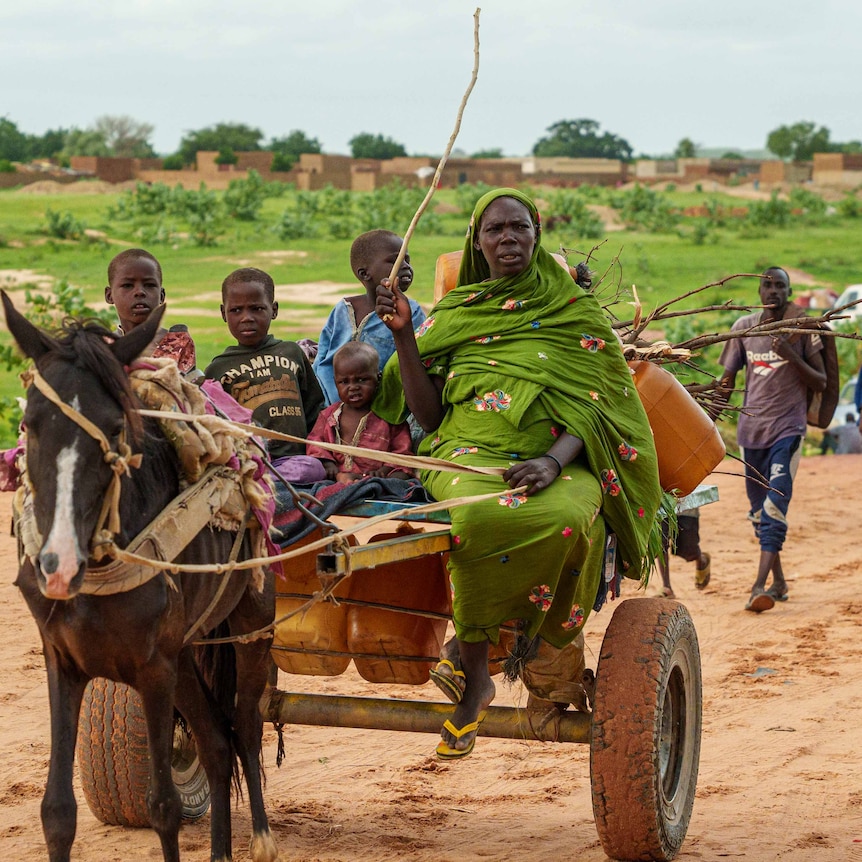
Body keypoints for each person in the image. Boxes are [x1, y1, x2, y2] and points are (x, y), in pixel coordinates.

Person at [374, 188, 661, 759]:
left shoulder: (575, 314)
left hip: (560, 459)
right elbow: (429, 416)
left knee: (564, 517)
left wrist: (554, 461)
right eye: (494, 230)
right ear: (477, 243)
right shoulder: (457, 314)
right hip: (465, 455)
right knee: (475, 520)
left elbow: (601, 405)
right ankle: (477, 673)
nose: (507, 238)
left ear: (536, 233)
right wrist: (405, 335)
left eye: (519, 227)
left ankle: (505, 648)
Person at [716, 266, 826, 613]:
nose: (774, 291)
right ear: (759, 292)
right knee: (758, 514)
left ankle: (758, 586)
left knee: (775, 506)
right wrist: (708, 418)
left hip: (787, 430)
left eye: (781, 286)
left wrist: (791, 354)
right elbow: (727, 381)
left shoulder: (802, 330)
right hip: (751, 433)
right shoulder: (743, 329)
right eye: (768, 285)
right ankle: (778, 581)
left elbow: (820, 381)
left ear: (789, 292)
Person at [204, 267, 326, 483]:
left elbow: (314, 409)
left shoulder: (292, 353)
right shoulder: (217, 370)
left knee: (313, 469)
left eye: (257, 308)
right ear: (223, 313)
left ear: (274, 310)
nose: (246, 318)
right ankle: (258, 478)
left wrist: (322, 453)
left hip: (295, 460)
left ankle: (263, 481)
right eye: (236, 310)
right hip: (250, 461)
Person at [313, 229, 426, 405]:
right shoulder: (343, 310)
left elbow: (420, 360)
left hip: (384, 409)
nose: (405, 266)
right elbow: (323, 358)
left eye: (407, 260)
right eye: (395, 260)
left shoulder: (413, 312)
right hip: (333, 409)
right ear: (364, 274)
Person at [306, 341, 415, 482]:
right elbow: (315, 442)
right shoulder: (329, 416)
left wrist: (384, 470)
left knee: (400, 477)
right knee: (313, 470)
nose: (353, 387)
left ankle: (378, 484)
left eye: (361, 380)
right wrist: (328, 464)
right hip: (340, 475)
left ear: (378, 378)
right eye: (344, 382)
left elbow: (402, 450)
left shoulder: (390, 415)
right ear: (335, 382)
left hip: (378, 475)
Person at [104, 248, 198, 375]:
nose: (139, 292)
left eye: (149, 285)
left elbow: (187, 389)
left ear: (162, 295)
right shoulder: (103, 347)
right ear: (109, 296)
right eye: (127, 285)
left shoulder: (178, 343)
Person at [656, 510, 711, 598]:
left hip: (686, 503)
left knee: (688, 548)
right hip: (661, 503)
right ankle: (666, 586)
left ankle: (702, 560)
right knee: (660, 543)